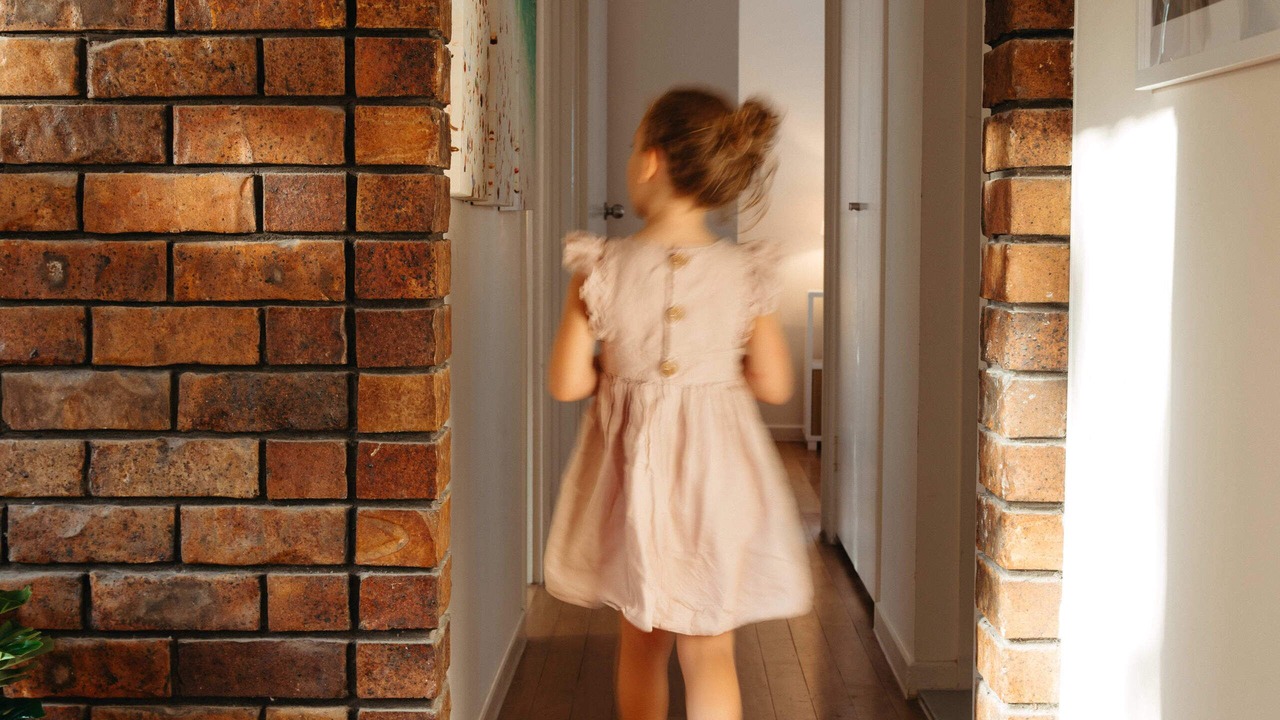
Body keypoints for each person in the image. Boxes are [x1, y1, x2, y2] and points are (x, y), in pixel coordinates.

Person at [544, 87, 815, 720]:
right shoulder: (747, 272)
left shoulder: (601, 268)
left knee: (642, 643)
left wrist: (618, 370)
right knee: (710, 647)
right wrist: (713, 378)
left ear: (649, 161)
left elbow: (566, 384)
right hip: (717, 482)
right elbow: (776, 385)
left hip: (635, 483)